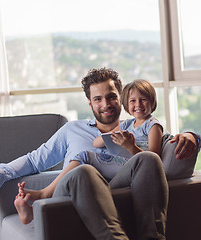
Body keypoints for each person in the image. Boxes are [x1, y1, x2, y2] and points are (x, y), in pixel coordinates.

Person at [0, 68, 201, 240]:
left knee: (148, 158)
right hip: (72, 190)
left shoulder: (135, 129)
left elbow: (162, 144)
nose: (106, 104)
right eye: (98, 99)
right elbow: (35, 159)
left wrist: (192, 136)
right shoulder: (73, 129)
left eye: (111, 96)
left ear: (121, 97)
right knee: (84, 170)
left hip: (116, 191)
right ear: (89, 102)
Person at [14, 79, 164, 225]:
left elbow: (152, 161)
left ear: (152, 101)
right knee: (84, 155)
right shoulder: (128, 124)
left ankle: (44, 195)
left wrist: (130, 146)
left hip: (131, 170)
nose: (138, 105)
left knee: (85, 175)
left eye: (143, 100)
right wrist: (108, 138)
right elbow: (96, 142)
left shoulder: (152, 125)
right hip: (118, 166)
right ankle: (37, 206)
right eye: (133, 101)